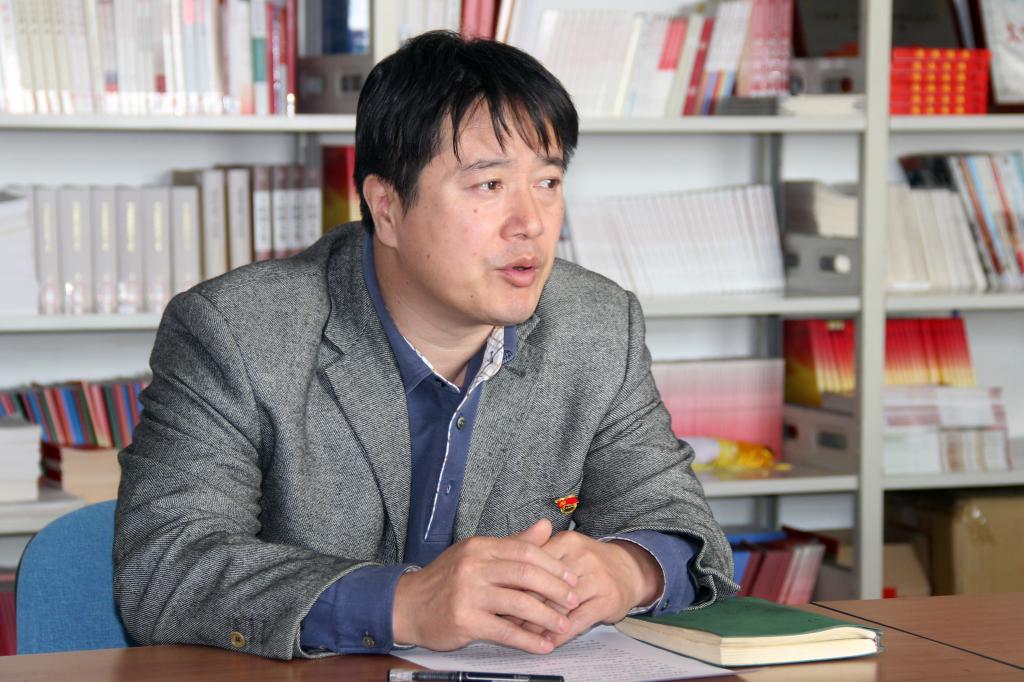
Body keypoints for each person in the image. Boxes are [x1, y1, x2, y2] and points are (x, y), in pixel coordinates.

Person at [113, 31, 735, 661]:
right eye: (488, 185)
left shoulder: (597, 324)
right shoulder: (238, 331)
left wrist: (629, 568)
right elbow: (165, 568)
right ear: (386, 208)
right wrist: (405, 604)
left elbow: (683, 526)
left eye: (547, 182)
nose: (532, 223)